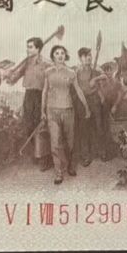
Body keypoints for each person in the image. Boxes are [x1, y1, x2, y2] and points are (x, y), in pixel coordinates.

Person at [42, 44, 90, 184]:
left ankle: (71, 165)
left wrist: (86, 107)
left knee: (70, 142)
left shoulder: (71, 73)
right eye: (57, 53)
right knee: (55, 142)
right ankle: (58, 172)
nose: (60, 55)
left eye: (62, 53)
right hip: (52, 111)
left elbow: (79, 90)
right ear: (53, 56)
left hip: (68, 110)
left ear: (65, 56)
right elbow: (44, 91)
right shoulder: (48, 72)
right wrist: (42, 111)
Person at [5, 36, 52, 170]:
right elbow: (13, 80)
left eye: (30, 47)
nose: (28, 49)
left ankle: (45, 158)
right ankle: (36, 154)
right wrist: (8, 75)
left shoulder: (47, 64)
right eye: (27, 47)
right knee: (29, 126)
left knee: (41, 127)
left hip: (42, 96)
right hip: (29, 96)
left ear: (38, 49)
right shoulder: (26, 63)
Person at [74, 48, 108, 166]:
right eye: (85, 56)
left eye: (89, 55)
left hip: (94, 100)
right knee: (84, 128)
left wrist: (95, 79)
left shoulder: (95, 69)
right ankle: (86, 156)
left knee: (99, 126)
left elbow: (105, 76)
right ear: (80, 58)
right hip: (82, 101)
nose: (88, 58)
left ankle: (102, 152)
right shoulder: (77, 71)